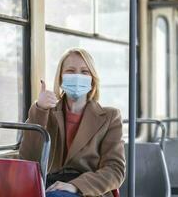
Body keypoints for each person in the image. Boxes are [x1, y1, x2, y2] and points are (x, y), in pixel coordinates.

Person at [19, 48, 125, 197]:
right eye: (70, 71)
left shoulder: (110, 117)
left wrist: (75, 186)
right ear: (61, 78)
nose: (77, 76)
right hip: (47, 185)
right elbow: (27, 159)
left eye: (84, 72)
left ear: (92, 79)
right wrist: (40, 110)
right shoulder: (46, 111)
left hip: (87, 191)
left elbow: (115, 170)